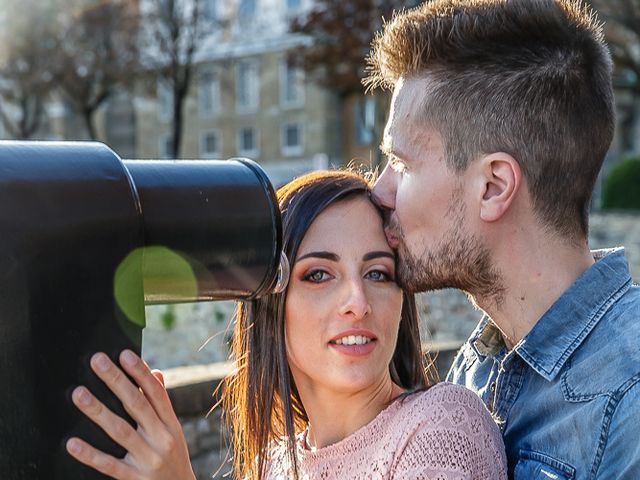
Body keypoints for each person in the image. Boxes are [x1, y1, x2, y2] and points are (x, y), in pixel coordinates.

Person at [65, 170, 508, 479]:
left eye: (378, 274)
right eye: (318, 275)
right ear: (271, 307)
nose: (358, 301)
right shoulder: (270, 466)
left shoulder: (444, 426)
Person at [365, 0, 640, 479]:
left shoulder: (631, 401)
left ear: (493, 187)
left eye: (404, 165)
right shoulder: (479, 367)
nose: (380, 191)